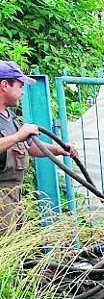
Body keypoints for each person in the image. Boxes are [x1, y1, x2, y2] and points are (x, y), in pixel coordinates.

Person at [0, 60, 78, 231]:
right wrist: (18, 135)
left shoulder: (10, 116)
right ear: (5, 85)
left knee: (15, 248)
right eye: (20, 86)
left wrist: (59, 149)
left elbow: (30, 146)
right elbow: (18, 138)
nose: (22, 92)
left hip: (13, 196)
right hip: (1, 196)